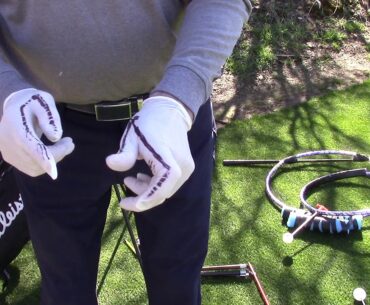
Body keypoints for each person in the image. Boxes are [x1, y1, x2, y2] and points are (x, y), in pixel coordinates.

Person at [0, 1, 252, 305]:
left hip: (168, 121)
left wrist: (178, 99)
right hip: (48, 124)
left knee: (178, 285)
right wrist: (6, 93)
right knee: (65, 291)